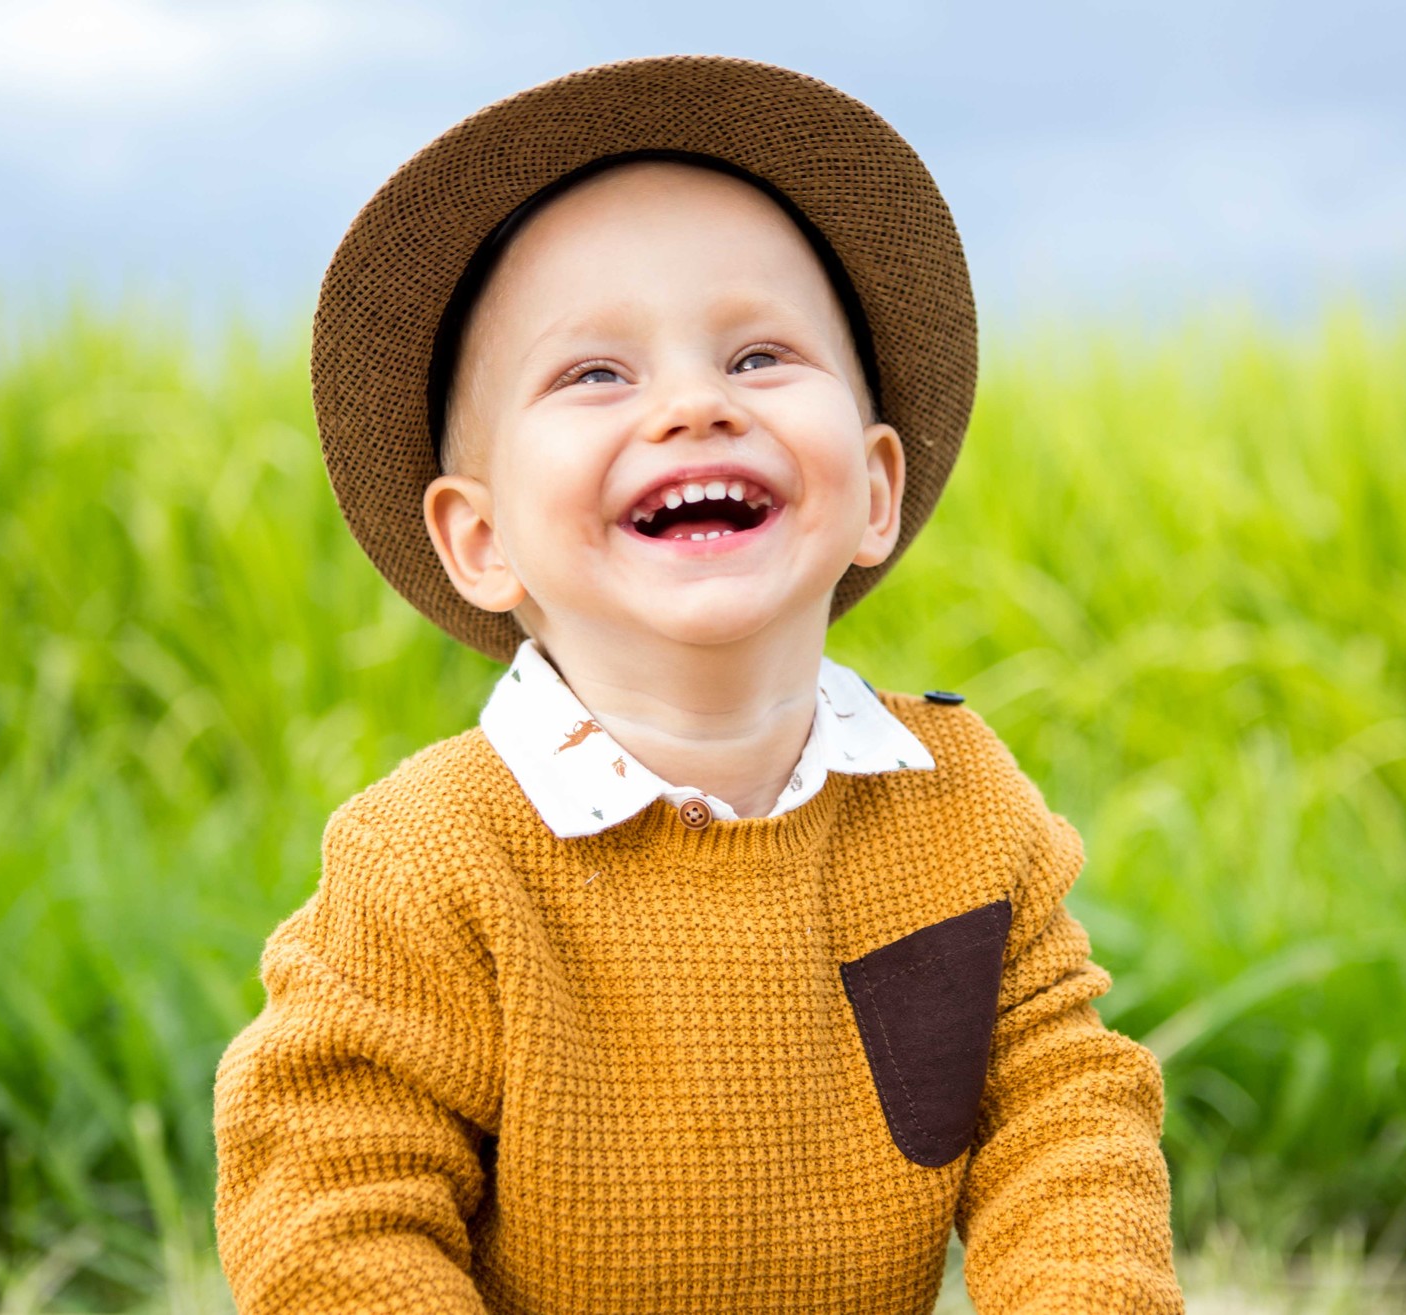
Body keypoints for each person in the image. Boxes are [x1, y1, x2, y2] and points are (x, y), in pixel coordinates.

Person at [212, 54, 1182, 1314]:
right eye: (594, 373)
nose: (689, 405)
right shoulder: (430, 862)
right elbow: (331, 1202)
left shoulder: (958, 811)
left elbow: (1061, 1122)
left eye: (760, 354)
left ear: (875, 490)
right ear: (480, 537)